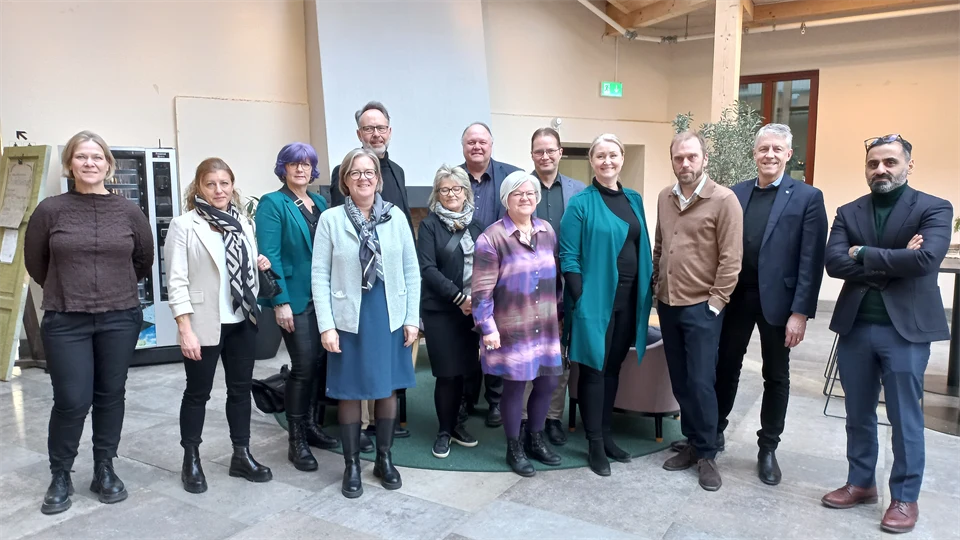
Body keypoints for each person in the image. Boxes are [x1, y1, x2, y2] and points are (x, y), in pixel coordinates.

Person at [821, 134, 952, 534]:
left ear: (908, 165)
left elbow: (927, 260)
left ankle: (904, 498)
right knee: (857, 413)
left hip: (905, 332)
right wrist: (897, 259)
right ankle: (861, 483)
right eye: (873, 163)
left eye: (890, 162)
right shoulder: (848, 211)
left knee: (904, 417)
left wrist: (862, 253)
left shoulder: (933, 207)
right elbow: (833, 263)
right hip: (857, 327)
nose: (881, 169)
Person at [25, 130, 154, 514]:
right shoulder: (50, 210)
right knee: (71, 400)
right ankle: (61, 473)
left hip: (119, 317)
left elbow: (143, 261)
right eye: (81, 157)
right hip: (67, 318)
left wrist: (111, 289)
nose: (90, 163)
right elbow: (37, 264)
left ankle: (104, 467)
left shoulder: (129, 211)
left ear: (108, 165)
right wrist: (71, 287)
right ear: (70, 164)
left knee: (110, 395)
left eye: (97, 157)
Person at [712, 123, 828, 486]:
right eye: (764, 149)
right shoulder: (736, 193)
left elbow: (811, 259)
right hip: (736, 298)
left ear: (788, 155)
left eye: (777, 149)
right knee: (725, 367)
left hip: (779, 303)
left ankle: (768, 448)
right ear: (754, 154)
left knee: (776, 375)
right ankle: (713, 435)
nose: (770, 155)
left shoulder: (808, 197)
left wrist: (800, 313)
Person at [313, 148, 420, 499]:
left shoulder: (396, 218)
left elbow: (410, 271)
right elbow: (320, 276)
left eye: (369, 172)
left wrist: (411, 319)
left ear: (378, 178)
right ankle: (352, 465)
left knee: (387, 387)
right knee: (349, 391)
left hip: (388, 312)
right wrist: (327, 325)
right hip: (348, 317)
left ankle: (384, 460)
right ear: (345, 180)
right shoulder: (331, 220)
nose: (363, 178)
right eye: (355, 173)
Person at [166, 158, 274, 493]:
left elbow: (240, 268)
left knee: (240, 391)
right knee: (197, 393)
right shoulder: (184, 225)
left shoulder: (241, 220)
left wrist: (259, 264)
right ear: (198, 186)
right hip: (203, 323)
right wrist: (185, 329)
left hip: (242, 319)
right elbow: (176, 281)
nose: (218, 190)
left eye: (224, 183)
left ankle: (241, 455)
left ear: (232, 185)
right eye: (211, 184)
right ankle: (191, 459)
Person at [558, 133, 654, 476]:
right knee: (594, 371)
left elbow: (642, 244)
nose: (607, 161)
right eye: (600, 156)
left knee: (613, 369)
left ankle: (608, 436)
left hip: (630, 300)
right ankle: (594, 444)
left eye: (613, 155)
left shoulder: (634, 199)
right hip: (595, 303)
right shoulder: (581, 203)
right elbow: (567, 256)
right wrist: (581, 297)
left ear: (622, 158)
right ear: (591, 161)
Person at [655, 131, 743, 492]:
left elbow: (731, 257)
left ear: (704, 159)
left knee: (701, 382)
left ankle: (707, 453)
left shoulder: (724, 200)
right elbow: (660, 245)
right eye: (679, 158)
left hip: (702, 308)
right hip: (668, 305)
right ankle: (692, 442)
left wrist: (716, 303)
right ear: (672, 160)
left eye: (692, 157)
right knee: (679, 380)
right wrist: (654, 288)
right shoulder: (665, 197)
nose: (685, 164)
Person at [330, 101, 413, 440]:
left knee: (387, 376)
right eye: (369, 128)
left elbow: (402, 227)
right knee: (356, 373)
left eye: (381, 128)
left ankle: (384, 438)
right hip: (356, 288)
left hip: (390, 291)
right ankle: (361, 430)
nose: (376, 133)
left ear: (389, 132)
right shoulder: (342, 178)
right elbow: (342, 242)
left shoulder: (398, 172)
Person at [472, 170, 564, 477]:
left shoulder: (547, 231)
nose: (525, 198)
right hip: (511, 327)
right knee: (515, 385)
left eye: (531, 193)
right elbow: (481, 291)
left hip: (547, 324)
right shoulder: (491, 238)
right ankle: (514, 447)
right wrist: (488, 328)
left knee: (548, 382)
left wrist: (559, 313)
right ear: (506, 200)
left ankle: (534, 439)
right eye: (518, 194)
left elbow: (556, 277)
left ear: (537, 198)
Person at [255, 143, 339, 472]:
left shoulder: (319, 202)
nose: (301, 169)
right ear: (283, 168)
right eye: (294, 164)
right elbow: (269, 255)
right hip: (294, 299)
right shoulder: (272, 203)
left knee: (319, 364)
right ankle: (297, 439)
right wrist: (280, 302)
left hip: (324, 298)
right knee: (303, 366)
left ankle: (312, 426)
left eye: (306, 164)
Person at [520, 127, 586, 447]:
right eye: (538, 151)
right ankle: (524, 419)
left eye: (550, 150)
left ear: (561, 152)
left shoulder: (579, 191)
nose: (545, 156)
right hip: (528, 289)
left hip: (564, 289)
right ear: (531, 155)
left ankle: (552, 418)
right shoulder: (521, 189)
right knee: (528, 355)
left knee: (558, 358)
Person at [459, 121, 522, 429]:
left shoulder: (511, 176)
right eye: (471, 142)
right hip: (464, 274)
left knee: (498, 338)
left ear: (492, 144)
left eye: (482, 141)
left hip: (502, 273)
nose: (477, 147)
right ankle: (468, 397)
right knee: (467, 339)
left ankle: (495, 400)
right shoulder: (453, 178)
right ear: (463, 147)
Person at [418, 165, 484, 458]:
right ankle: (444, 431)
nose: (451, 194)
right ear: (437, 194)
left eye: (456, 188)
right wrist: (459, 298)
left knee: (464, 372)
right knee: (446, 374)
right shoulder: (430, 225)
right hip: (441, 311)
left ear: (465, 192)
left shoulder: (478, 225)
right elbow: (428, 269)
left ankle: (457, 424)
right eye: (444, 189)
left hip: (471, 311)